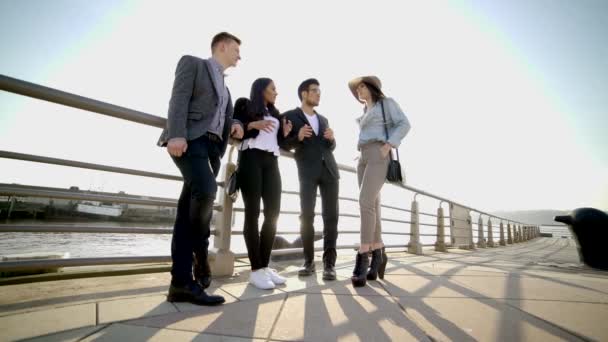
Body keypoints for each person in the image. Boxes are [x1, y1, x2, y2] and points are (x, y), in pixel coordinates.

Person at [157, 32, 244, 305]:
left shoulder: (227, 90)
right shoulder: (193, 64)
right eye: (236, 50)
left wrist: (235, 125)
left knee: (185, 216)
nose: (239, 56)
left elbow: (222, 118)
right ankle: (201, 255)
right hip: (189, 141)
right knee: (206, 191)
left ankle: (180, 283)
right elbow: (179, 98)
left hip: (211, 150)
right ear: (221, 46)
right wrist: (177, 134)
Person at [347, 76, 411, 287]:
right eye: (356, 89)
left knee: (365, 203)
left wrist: (388, 145)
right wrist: (362, 154)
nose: (358, 91)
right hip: (363, 156)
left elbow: (404, 124)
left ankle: (364, 254)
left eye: (361, 87)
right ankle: (378, 253)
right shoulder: (365, 111)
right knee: (372, 205)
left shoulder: (386, 104)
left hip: (378, 154)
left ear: (371, 87)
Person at [233, 78, 292, 290]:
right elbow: (235, 127)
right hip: (251, 159)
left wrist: (284, 134)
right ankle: (256, 270)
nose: (276, 92)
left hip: (271, 162)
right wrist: (251, 125)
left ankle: (265, 266)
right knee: (253, 213)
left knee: (273, 213)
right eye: (273, 89)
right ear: (261, 90)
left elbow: (282, 144)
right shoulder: (244, 105)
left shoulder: (277, 114)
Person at [280, 79, 340, 280]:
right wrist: (297, 137)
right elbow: (283, 145)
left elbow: (329, 147)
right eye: (314, 91)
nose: (318, 94)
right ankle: (308, 262)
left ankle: (329, 265)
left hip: (330, 171)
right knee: (306, 217)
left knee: (331, 218)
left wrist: (332, 138)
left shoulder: (323, 119)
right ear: (304, 94)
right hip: (307, 172)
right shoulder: (289, 116)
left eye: (319, 91)